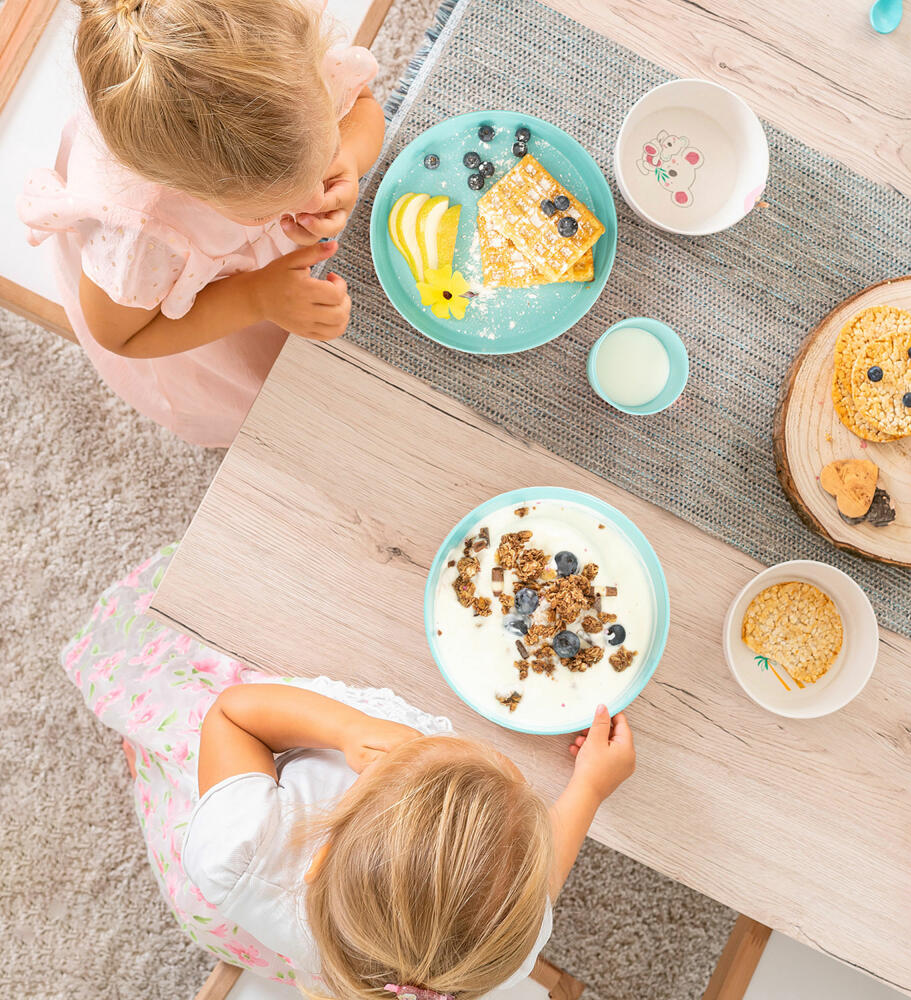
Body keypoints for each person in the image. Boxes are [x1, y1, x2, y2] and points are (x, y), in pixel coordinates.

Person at [63, 545, 637, 997]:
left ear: (323, 845)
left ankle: (155, 761)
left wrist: (341, 730)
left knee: (177, 736)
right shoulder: (495, 958)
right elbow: (534, 887)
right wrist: (588, 787)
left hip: (234, 843)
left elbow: (232, 718)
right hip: (311, 949)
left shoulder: (241, 840)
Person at [18, 0, 385, 447]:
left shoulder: (283, 61)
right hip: (188, 308)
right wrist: (256, 298)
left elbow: (363, 107)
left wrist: (346, 158)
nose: (314, 199)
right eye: (266, 210)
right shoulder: (141, 237)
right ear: (193, 193)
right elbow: (123, 335)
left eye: (322, 154)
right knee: (261, 396)